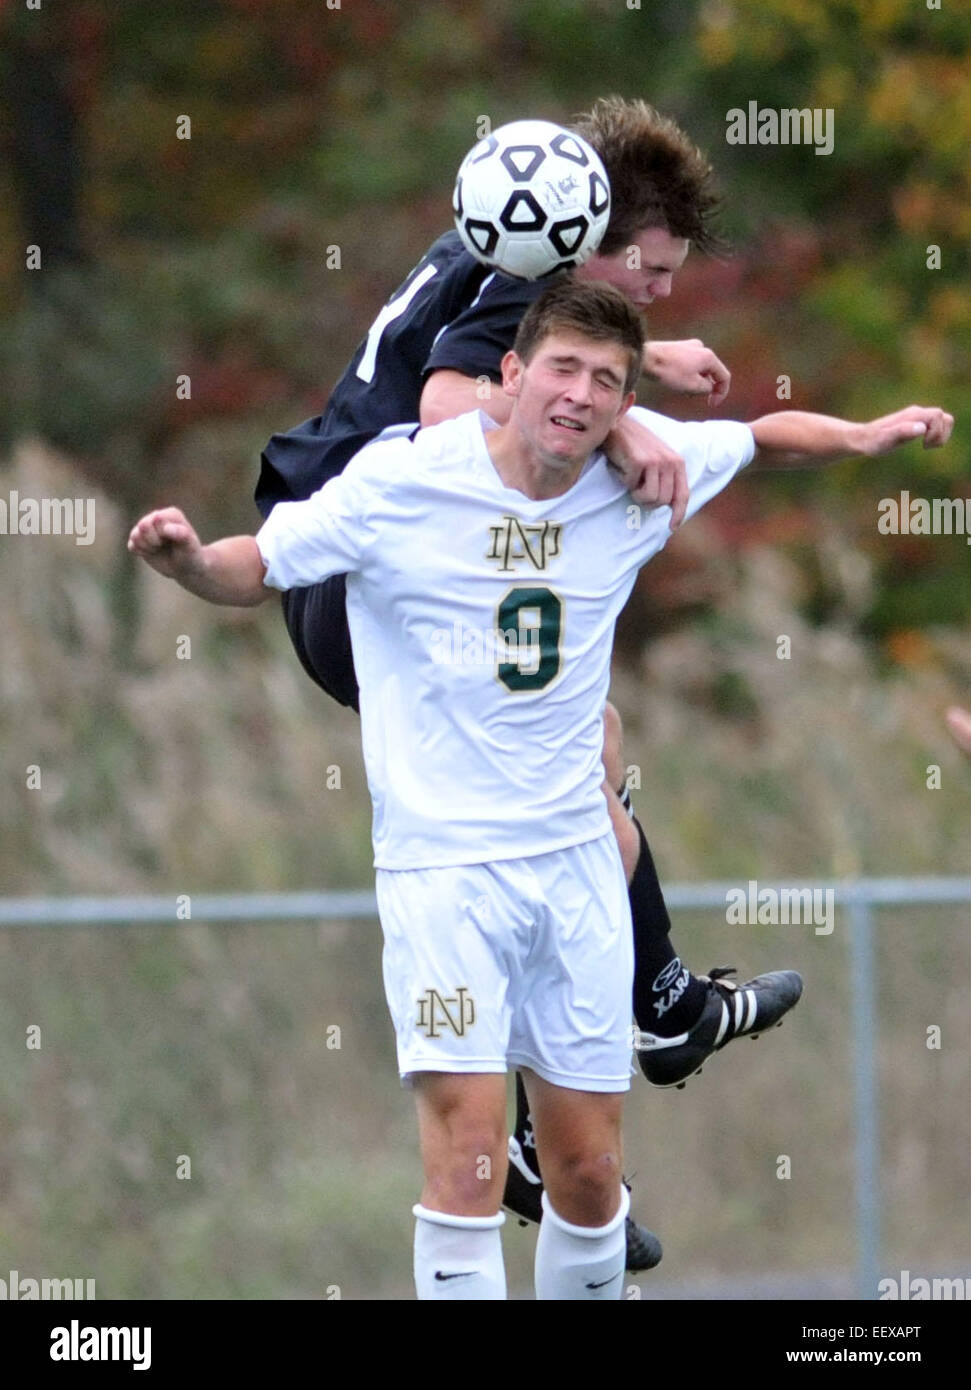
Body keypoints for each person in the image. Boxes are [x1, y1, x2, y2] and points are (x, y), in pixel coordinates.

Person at [129, 280, 953, 1299]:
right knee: (469, 1156)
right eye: (560, 368)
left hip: (573, 871)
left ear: (621, 405)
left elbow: (756, 439)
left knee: (586, 1173)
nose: (580, 395)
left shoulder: (637, 472)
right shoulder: (404, 478)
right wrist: (189, 562)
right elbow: (260, 563)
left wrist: (864, 437)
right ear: (509, 377)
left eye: (606, 380)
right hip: (444, 872)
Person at [252, 98, 802, 1267]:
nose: (654, 290)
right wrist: (626, 419)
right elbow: (455, 402)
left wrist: (631, 373)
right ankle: (652, 1011)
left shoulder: (505, 247)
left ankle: (627, 1026)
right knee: (568, 763)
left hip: (360, 559)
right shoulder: (533, 260)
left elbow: (507, 373)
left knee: (578, 768)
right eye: (648, 269)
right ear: (593, 231)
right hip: (369, 564)